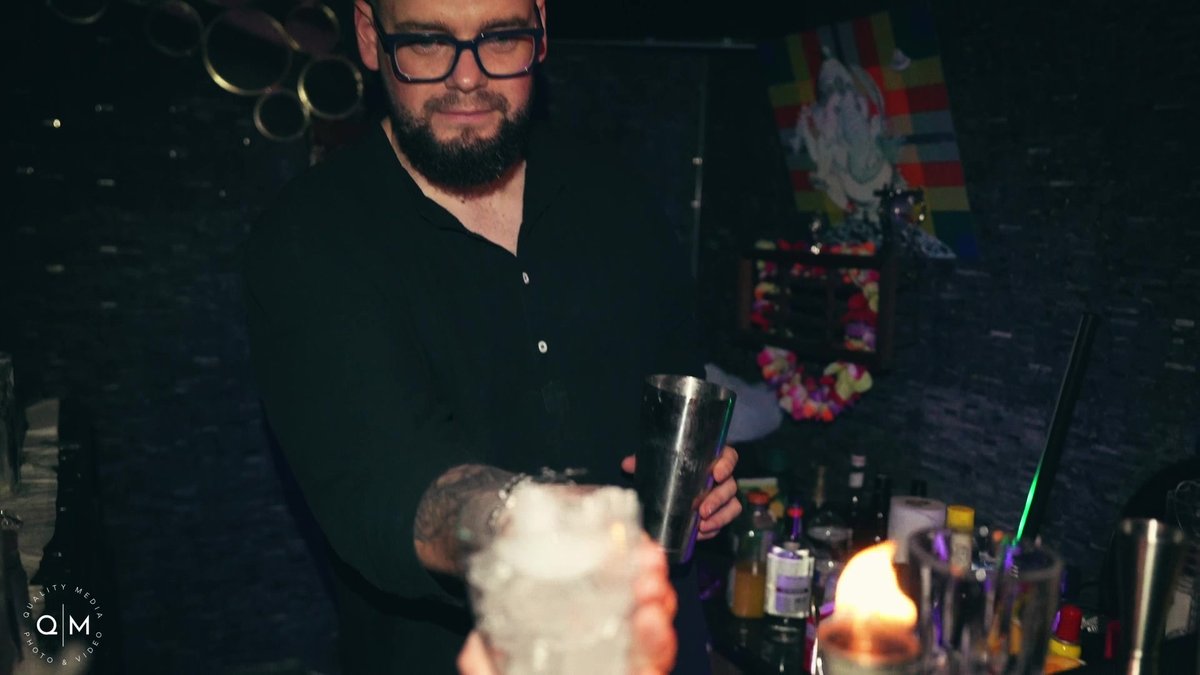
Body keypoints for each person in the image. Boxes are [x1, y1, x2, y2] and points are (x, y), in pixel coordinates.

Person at [241, 0, 742, 672]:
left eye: (501, 38)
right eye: (427, 43)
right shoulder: (310, 238)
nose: (468, 77)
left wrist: (699, 482)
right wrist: (526, 523)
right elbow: (386, 483)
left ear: (541, 25)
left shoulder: (620, 200)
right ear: (369, 34)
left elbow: (675, 403)